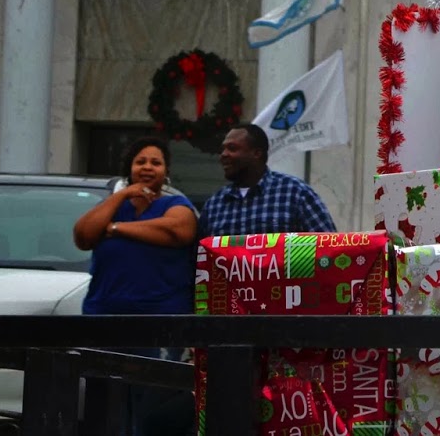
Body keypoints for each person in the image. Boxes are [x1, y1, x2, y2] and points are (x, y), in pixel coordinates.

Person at [71, 136, 197, 436]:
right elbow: (82, 235)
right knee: (103, 402)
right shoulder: (113, 206)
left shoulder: (176, 204)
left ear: (166, 170)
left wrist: (115, 229)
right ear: (129, 167)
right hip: (104, 318)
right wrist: (122, 195)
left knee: (149, 404)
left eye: (156, 162)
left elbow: (178, 230)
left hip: (158, 323)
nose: (148, 167)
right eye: (140, 161)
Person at [198, 123, 336, 237]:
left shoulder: (296, 193)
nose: (223, 155)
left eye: (232, 148)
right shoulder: (214, 205)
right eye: (223, 149)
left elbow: (328, 247)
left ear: (257, 153)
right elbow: (200, 258)